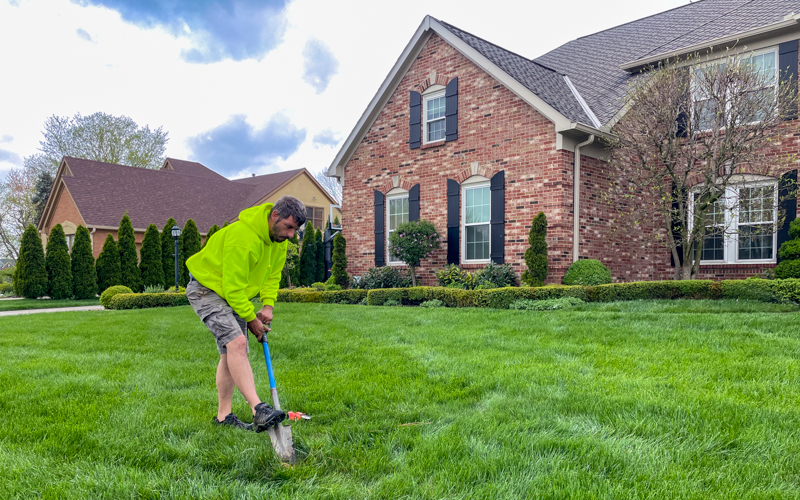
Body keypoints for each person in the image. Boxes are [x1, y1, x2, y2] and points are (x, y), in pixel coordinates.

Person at [186, 196, 306, 431]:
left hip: (233, 293)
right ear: (275, 215)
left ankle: (224, 417)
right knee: (238, 344)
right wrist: (251, 319)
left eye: (295, 229)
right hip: (207, 290)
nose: (291, 235)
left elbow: (273, 276)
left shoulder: (278, 242)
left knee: (230, 352)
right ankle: (259, 409)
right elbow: (231, 288)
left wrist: (268, 306)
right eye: (289, 227)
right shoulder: (243, 237)